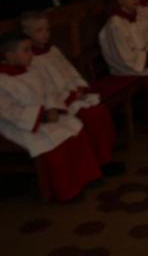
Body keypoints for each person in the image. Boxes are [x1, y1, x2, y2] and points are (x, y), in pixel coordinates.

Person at [0, 32, 102, 201]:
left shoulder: (32, 70)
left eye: (31, 49)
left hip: (45, 115)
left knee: (75, 128)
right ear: (9, 55)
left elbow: (49, 91)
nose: (31, 54)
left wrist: (52, 108)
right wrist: (42, 116)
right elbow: (8, 110)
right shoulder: (2, 80)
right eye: (26, 50)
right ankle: (65, 191)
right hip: (20, 124)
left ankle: (85, 177)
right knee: (55, 142)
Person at [22, 11, 117, 167]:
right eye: (39, 30)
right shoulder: (31, 60)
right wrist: (71, 96)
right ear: (27, 33)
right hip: (61, 103)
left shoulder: (53, 50)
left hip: (75, 95)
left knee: (100, 111)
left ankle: (105, 156)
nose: (45, 34)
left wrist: (79, 86)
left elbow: (70, 71)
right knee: (92, 115)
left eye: (47, 29)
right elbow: (45, 89)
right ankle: (99, 162)